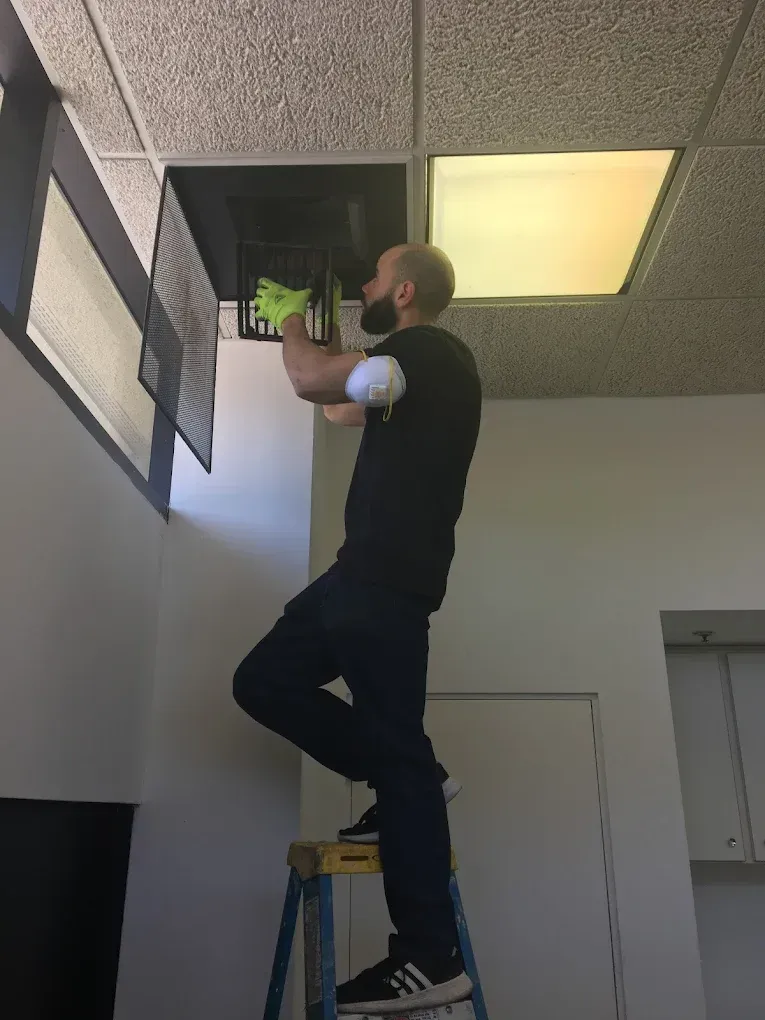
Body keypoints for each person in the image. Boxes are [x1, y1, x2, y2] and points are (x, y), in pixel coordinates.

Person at [233, 243, 482, 1014]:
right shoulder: (403, 373)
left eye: (374, 278)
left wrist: (290, 327)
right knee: (262, 681)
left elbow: (312, 381)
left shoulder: (427, 351)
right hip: (358, 578)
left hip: (385, 582)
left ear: (402, 293)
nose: (366, 286)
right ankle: (413, 774)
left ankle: (431, 957)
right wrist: (321, 331)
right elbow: (341, 405)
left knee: (399, 758)